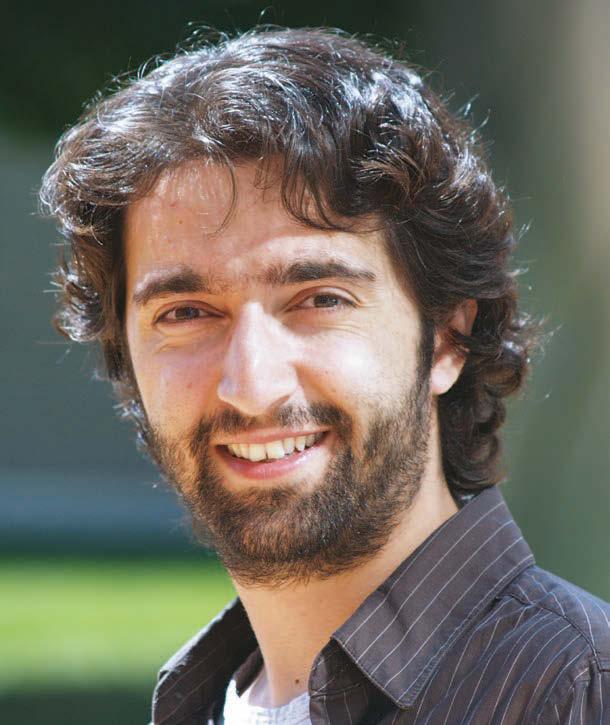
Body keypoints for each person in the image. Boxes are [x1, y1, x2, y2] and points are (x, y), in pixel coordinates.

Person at [39, 26, 609, 725]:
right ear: (124, 355)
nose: (252, 385)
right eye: (186, 313)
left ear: (447, 338)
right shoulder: (202, 703)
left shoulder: (578, 693)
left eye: (319, 300)